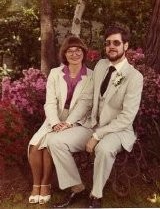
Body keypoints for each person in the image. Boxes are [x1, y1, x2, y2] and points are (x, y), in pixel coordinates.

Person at [49, 25, 143, 208]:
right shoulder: (100, 65)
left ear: (126, 46)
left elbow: (127, 117)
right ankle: (77, 188)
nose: (111, 47)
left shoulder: (134, 77)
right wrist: (69, 122)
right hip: (92, 125)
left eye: (116, 42)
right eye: (108, 43)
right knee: (55, 141)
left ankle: (96, 195)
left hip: (118, 130)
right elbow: (87, 99)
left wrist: (97, 136)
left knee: (104, 149)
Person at [27, 35, 93, 204]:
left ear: (84, 53)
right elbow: (50, 102)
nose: (74, 54)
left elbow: (84, 104)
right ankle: (37, 186)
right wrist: (56, 122)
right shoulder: (55, 73)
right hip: (54, 117)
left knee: (50, 143)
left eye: (78, 50)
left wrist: (68, 123)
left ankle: (46, 185)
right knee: (35, 146)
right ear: (64, 54)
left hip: (78, 120)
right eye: (70, 51)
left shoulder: (91, 76)